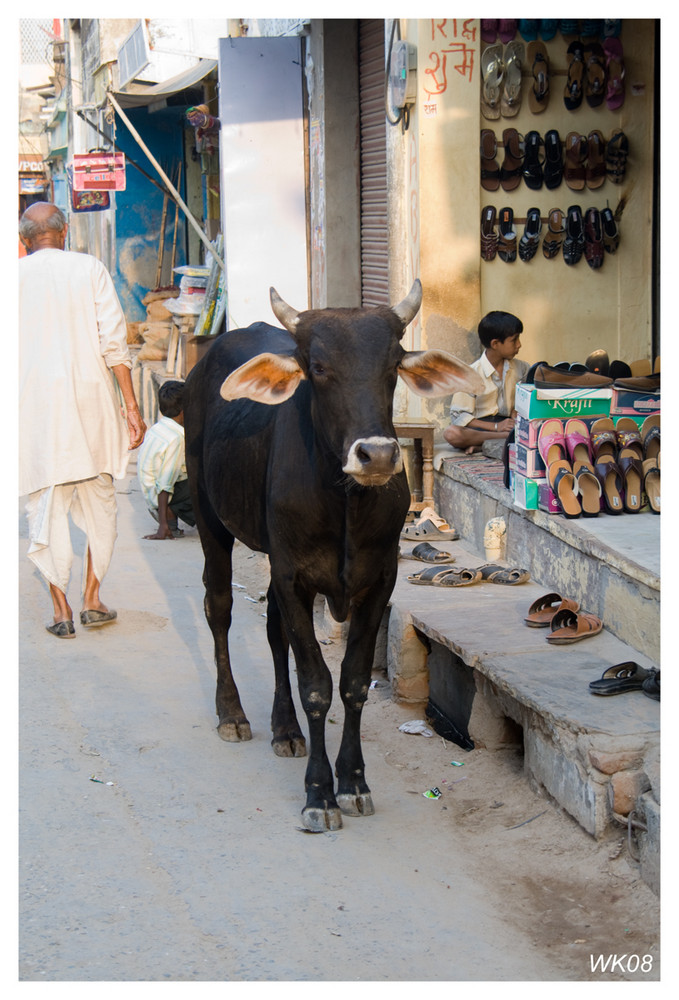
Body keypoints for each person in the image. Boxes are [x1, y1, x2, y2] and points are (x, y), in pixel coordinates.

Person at [19, 202, 147, 638]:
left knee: (46, 509)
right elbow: (115, 344)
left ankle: (62, 611)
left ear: (23, 241)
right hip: (91, 409)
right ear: (65, 232)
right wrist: (131, 406)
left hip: (36, 417)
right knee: (100, 505)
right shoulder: (89, 268)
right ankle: (93, 597)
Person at [444, 310, 530, 454]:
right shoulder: (470, 373)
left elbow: (526, 398)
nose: (519, 345)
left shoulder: (522, 368)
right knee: (452, 433)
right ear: (495, 343)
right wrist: (497, 427)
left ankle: (485, 445)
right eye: (514, 340)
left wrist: (516, 413)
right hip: (482, 428)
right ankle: (502, 439)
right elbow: (459, 416)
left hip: (511, 425)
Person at [137, 380, 195, 540]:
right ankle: (168, 520)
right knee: (204, 482)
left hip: (150, 494)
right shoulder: (176, 438)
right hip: (160, 498)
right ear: (184, 411)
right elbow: (165, 483)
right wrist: (161, 527)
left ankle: (169, 518)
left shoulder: (157, 428)